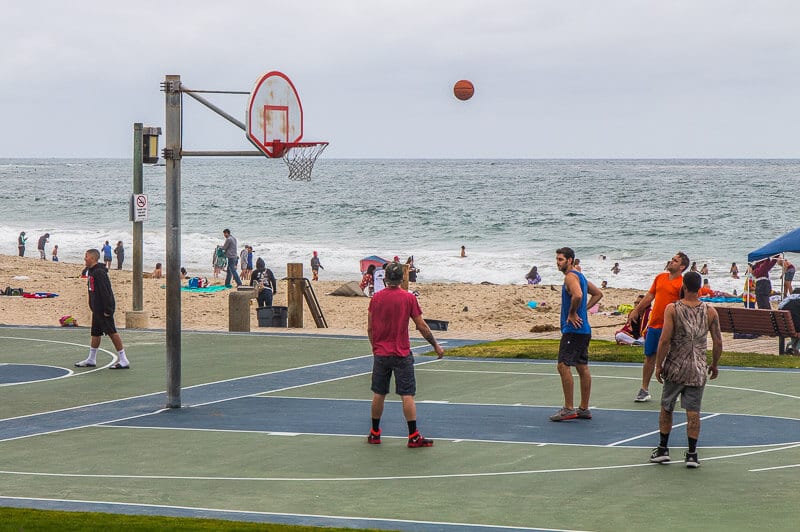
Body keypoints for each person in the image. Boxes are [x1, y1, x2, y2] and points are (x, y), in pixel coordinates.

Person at [649, 271, 722, 468]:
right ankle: (692, 453)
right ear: (699, 288)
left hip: (676, 365)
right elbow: (717, 341)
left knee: (667, 406)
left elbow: (665, 339)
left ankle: (663, 448)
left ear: (684, 286)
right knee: (693, 411)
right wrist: (714, 363)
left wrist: (659, 364)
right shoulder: (710, 311)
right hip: (697, 367)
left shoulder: (672, 309)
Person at [366, 261, 444, 447]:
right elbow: (421, 326)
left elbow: (370, 328)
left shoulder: (376, 299)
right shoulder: (408, 298)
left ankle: (375, 432)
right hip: (401, 352)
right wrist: (435, 345)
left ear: (385, 279)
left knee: (379, 393)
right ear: (402, 279)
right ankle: (413, 435)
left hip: (382, 353)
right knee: (407, 394)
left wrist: (375, 347)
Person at [627, 252, 690, 402]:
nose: (671, 261)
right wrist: (637, 310)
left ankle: (673, 390)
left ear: (682, 267)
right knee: (649, 356)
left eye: (675, 261)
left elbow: (684, 306)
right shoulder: (660, 277)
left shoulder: (682, 283)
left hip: (670, 326)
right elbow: (650, 296)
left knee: (672, 358)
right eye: (672, 259)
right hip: (654, 324)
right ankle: (644, 389)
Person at [549, 247, 603, 422]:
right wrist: (583, 311)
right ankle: (584, 409)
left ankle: (568, 408)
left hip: (574, 331)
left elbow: (578, 295)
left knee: (563, 366)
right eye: (557, 259)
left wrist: (573, 313)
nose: (558, 262)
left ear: (570, 260)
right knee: (582, 367)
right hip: (584, 330)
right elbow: (597, 294)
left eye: (561, 259)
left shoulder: (571, 277)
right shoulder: (580, 276)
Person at [74, 249, 131, 370]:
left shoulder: (99, 273)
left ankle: (123, 359)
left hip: (103, 309)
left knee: (111, 331)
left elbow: (106, 292)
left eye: (87, 257)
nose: (85, 258)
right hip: (96, 309)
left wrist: (108, 309)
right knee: (95, 332)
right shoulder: (91, 272)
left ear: (93, 258)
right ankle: (91, 359)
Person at [777, 287, 800, 354]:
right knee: (796, 330)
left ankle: (794, 348)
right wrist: (798, 330)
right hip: (795, 328)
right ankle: (796, 348)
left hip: (784, 329)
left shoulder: (784, 302)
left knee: (794, 329)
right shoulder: (798, 302)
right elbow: (797, 317)